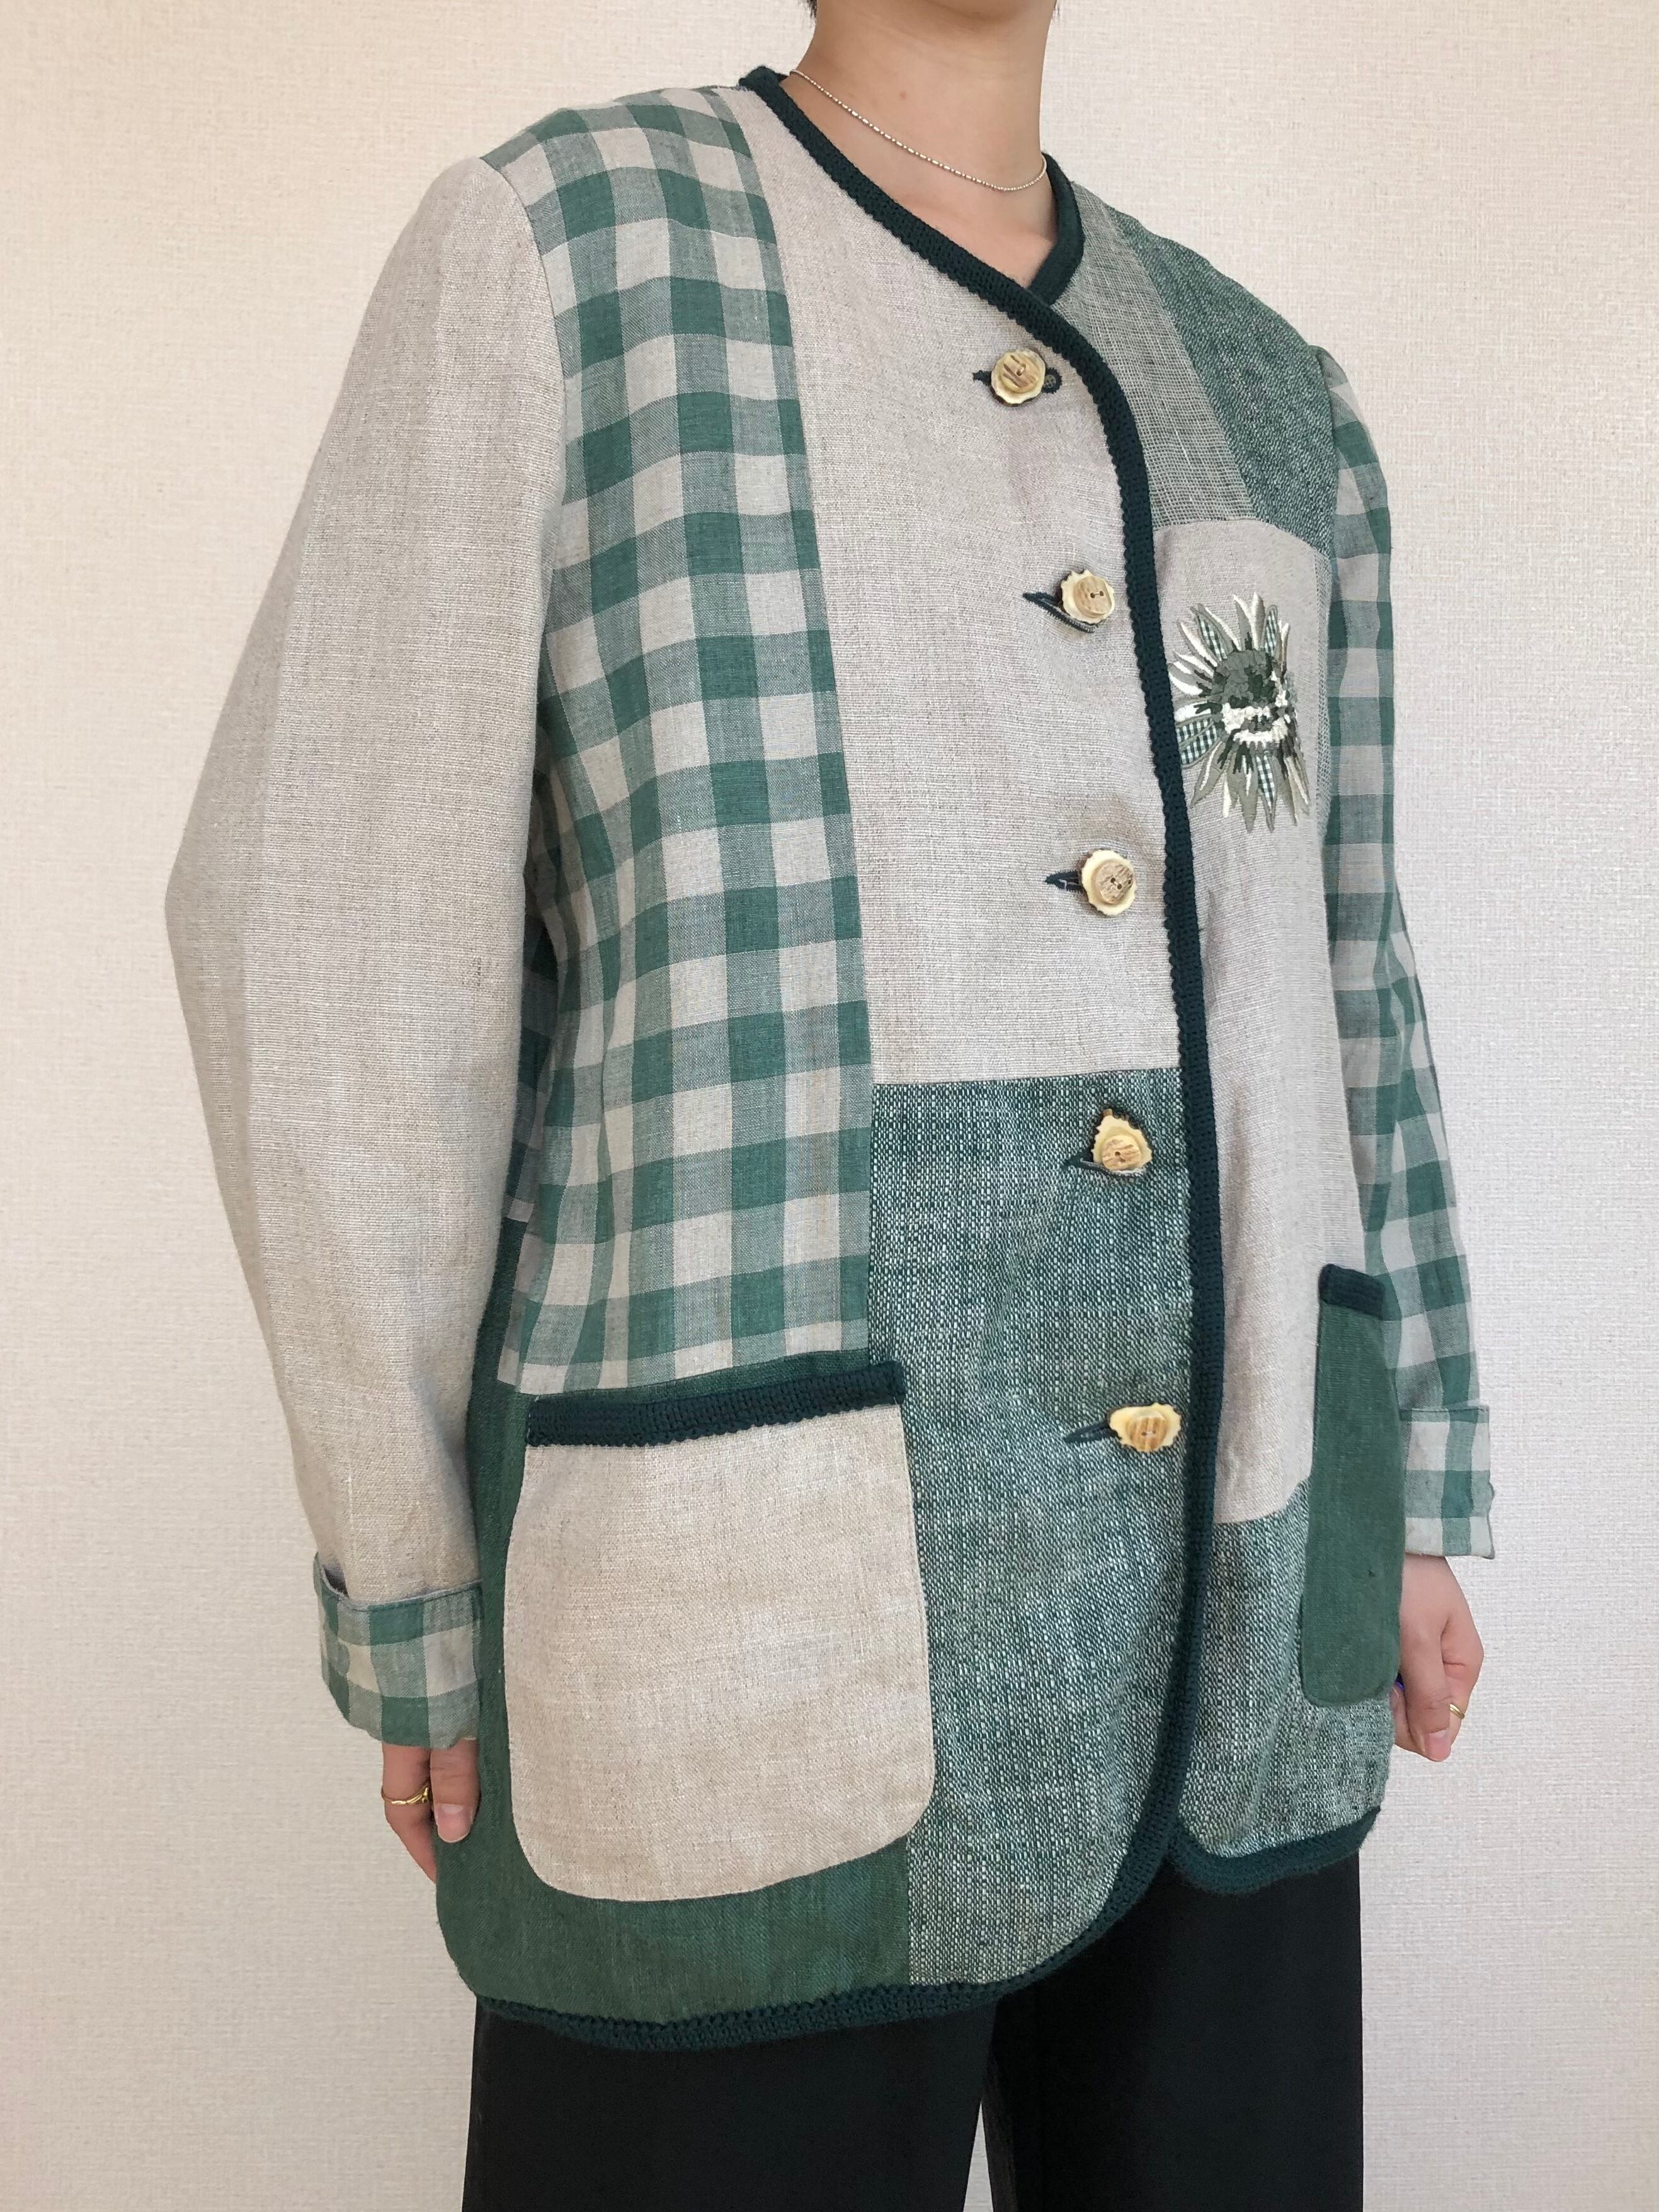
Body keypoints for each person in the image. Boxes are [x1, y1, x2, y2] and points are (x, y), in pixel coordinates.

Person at [164, 3, 1492, 2205]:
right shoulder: (565, 250)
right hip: (740, 1633)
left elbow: (1346, 976)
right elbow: (327, 934)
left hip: (1248, 1612)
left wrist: (1406, 1488)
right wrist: (402, 1568)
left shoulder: (1269, 387)